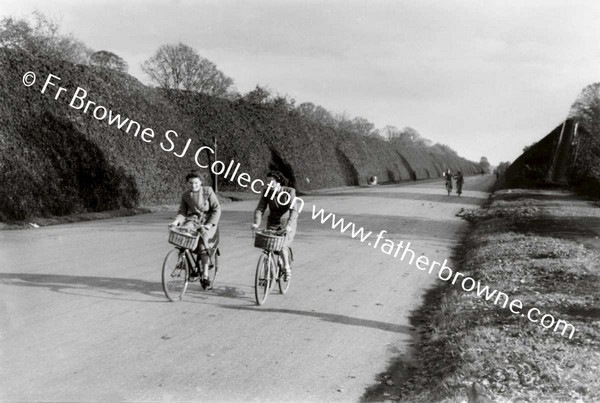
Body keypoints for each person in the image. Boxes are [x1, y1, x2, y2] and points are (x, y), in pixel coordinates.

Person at [169, 170, 221, 287]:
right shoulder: (186, 195)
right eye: (191, 183)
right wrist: (176, 221)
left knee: (203, 245)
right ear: (188, 183)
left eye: (196, 183)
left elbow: (216, 209)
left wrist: (209, 224)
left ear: (201, 182)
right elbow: (182, 212)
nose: (194, 185)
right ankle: (183, 260)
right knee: (184, 233)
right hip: (193, 220)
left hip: (207, 221)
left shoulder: (208, 191)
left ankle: (205, 274)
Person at [251, 171, 298, 280]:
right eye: (267, 182)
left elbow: (294, 210)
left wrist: (289, 225)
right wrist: (256, 223)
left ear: (278, 182)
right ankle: (268, 274)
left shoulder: (289, 191)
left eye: (270, 182)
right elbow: (260, 209)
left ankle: (286, 268)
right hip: (272, 222)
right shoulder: (266, 192)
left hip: (286, 223)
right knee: (268, 246)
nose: (268, 184)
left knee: (282, 246)